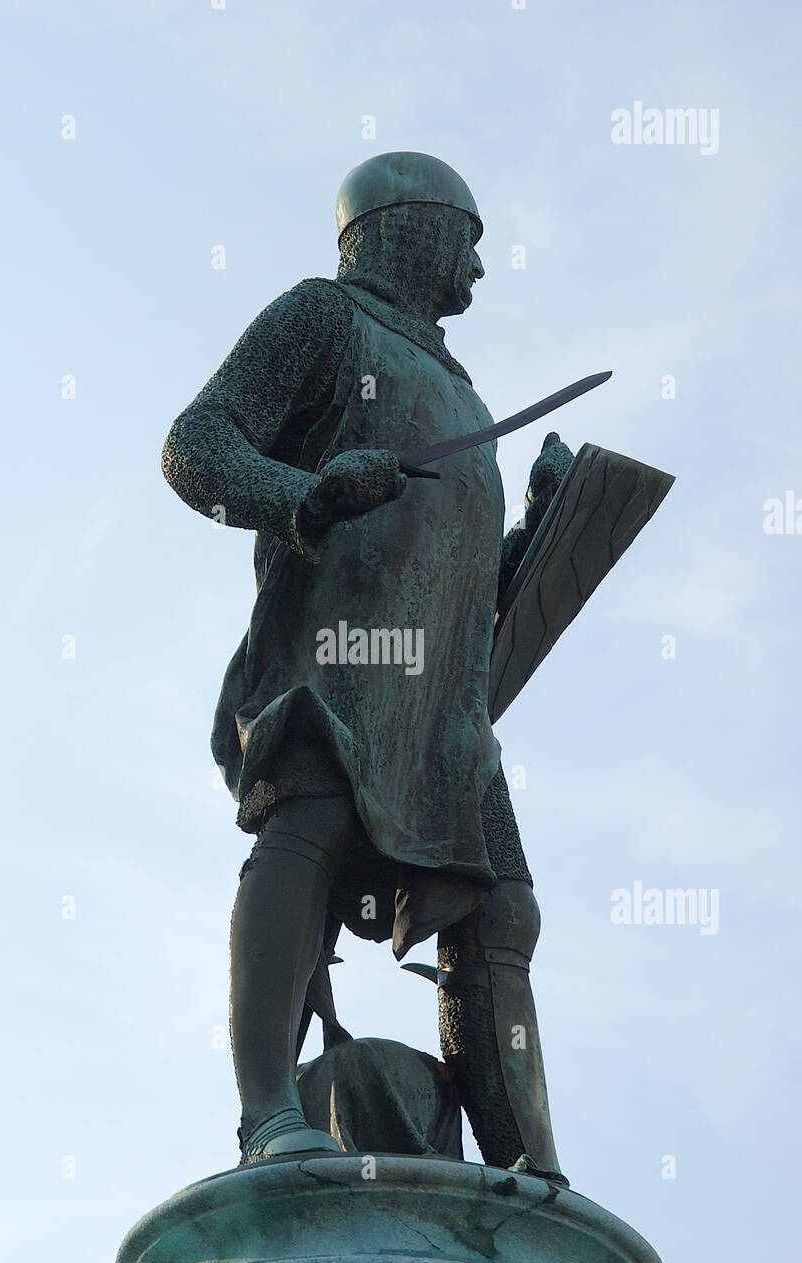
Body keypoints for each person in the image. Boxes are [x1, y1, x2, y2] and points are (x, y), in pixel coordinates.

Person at [162, 152, 569, 1179]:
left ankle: (527, 1168)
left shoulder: (459, 388)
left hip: (446, 709)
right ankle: (268, 1111)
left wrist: (543, 527)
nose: (477, 276)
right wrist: (302, 491)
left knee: (503, 911)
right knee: (313, 828)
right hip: (332, 657)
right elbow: (197, 446)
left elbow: (467, 601)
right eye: (467, 244)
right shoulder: (321, 318)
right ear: (409, 225)